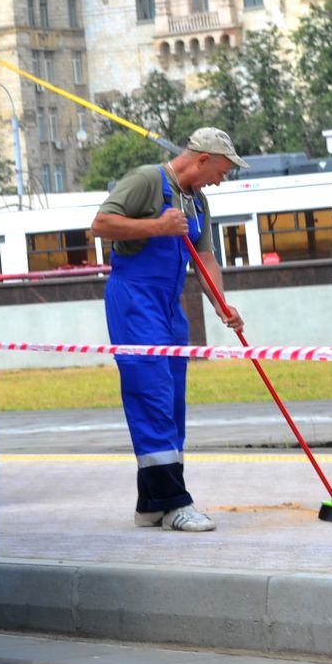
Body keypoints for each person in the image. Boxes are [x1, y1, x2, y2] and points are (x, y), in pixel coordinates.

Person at [89, 128, 245, 533]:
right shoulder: (146, 181)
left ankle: (152, 503)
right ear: (202, 159)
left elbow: (206, 258)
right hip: (134, 299)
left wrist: (221, 305)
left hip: (169, 306)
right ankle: (176, 502)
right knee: (151, 392)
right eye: (221, 171)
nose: (220, 180)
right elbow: (101, 224)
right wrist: (157, 227)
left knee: (172, 400)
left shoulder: (198, 201)